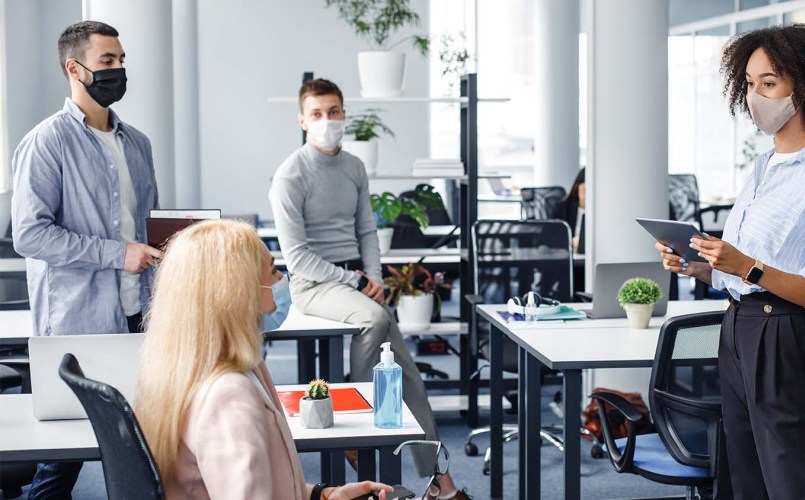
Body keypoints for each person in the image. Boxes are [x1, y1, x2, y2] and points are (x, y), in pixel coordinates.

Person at [656, 24, 805, 499]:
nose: (754, 96)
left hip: (784, 336)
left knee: (789, 480)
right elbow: (745, 271)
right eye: (749, 83)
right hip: (737, 328)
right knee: (742, 477)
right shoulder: (763, 168)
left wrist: (745, 265)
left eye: (769, 83)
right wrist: (700, 266)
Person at [269, 78, 468, 499]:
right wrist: (357, 281)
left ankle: (440, 481)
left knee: (406, 374)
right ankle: (364, 429)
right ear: (302, 120)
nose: (327, 121)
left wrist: (374, 277)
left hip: (357, 281)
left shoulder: (355, 167)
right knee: (376, 320)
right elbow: (298, 257)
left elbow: (366, 231)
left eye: (334, 112)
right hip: (314, 283)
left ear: (344, 114)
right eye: (317, 114)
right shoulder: (289, 175)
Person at [10, 20, 161, 498]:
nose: (119, 70)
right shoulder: (47, 141)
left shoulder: (137, 143)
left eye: (121, 60)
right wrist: (118, 255)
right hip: (79, 320)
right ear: (75, 69)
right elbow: (30, 235)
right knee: (64, 460)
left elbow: (148, 224)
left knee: (145, 448)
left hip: (139, 316)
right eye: (107, 62)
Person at [135, 220, 392, 499]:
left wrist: (324, 495)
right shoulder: (228, 396)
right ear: (238, 291)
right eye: (272, 271)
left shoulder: (185, 368)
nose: (282, 280)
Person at [555, 167, 586, 252]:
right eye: (585, 190)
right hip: (570, 256)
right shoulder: (564, 208)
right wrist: (570, 242)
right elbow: (552, 239)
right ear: (577, 187)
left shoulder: (601, 211)